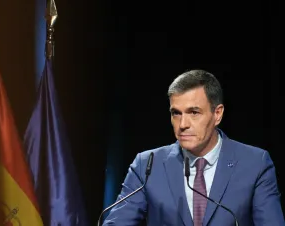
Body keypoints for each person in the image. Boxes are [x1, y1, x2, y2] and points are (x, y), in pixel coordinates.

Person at [102, 69, 284, 225]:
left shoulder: (255, 164)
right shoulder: (147, 165)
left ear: (217, 114)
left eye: (194, 112)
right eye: (176, 113)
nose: (182, 124)